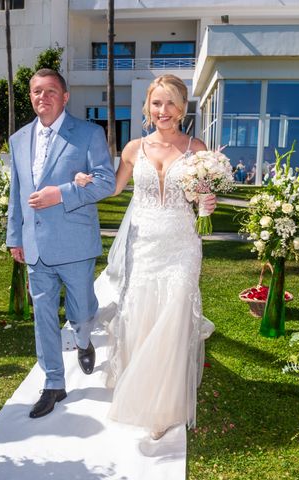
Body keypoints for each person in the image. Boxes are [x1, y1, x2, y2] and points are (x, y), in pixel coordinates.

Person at [75, 74, 216, 440]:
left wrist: (208, 203)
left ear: (183, 108)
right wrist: (86, 181)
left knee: (173, 317)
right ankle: (139, 387)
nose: (163, 111)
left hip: (182, 245)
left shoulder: (197, 149)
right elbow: (115, 187)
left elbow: (202, 199)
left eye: (170, 103)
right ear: (147, 107)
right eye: (156, 103)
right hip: (144, 243)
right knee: (142, 315)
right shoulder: (134, 148)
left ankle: (164, 408)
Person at [6, 68, 116, 419]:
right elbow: (16, 195)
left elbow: (105, 183)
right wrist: (14, 238)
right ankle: (54, 382)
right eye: (37, 91)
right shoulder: (19, 138)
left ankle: (84, 339)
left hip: (75, 245)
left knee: (81, 310)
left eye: (51, 91)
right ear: (31, 96)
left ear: (65, 96)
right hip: (35, 245)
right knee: (43, 317)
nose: (43, 97)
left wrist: (62, 194)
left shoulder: (88, 134)